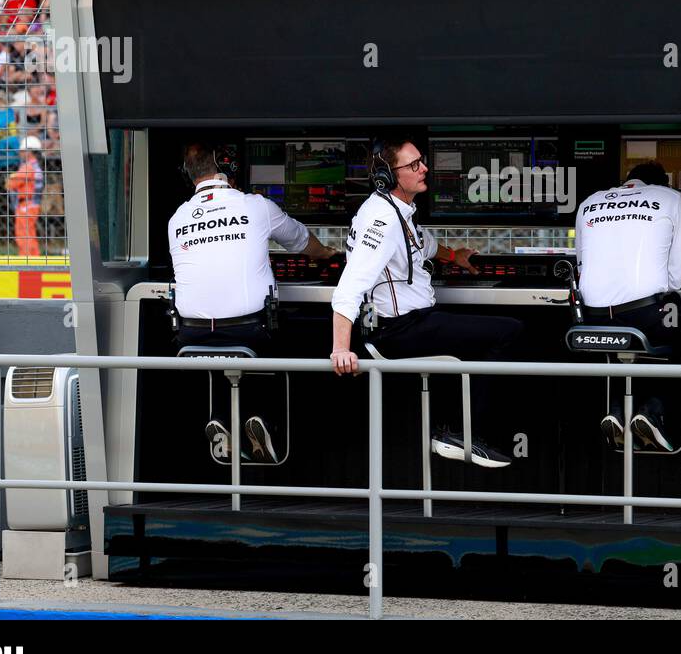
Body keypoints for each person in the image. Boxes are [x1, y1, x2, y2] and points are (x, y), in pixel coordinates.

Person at [329, 137, 523, 468]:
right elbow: (350, 285)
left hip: (415, 322)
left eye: (421, 160)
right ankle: (466, 437)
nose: (424, 169)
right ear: (387, 176)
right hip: (399, 331)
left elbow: (424, 245)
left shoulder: (397, 211)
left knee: (478, 333)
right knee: (510, 332)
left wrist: (455, 256)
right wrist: (341, 349)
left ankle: (450, 431)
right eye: (413, 165)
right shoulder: (383, 219)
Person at [168, 142, 336, 463]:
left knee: (220, 352)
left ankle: (220, 419)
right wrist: (329, 254)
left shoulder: (176, 219)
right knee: (283, 337)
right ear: (228, 170)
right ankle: (262, 419)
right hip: (249, 332)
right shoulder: (257, 206)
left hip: (190, 336)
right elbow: (303, 243)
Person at [574, 161, 681, 452]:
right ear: (662, 183)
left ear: (628, 180)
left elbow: (581, 265)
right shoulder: (672, 199)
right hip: (643, 316)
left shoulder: (590, 201)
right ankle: (653, 410)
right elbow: (675, 279)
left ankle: (616, 410)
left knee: (622, 349)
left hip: (592, 320)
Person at [6, 135, 44, 256]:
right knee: (30, 235)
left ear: (30, 151)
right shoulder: (36, 166)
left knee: (24, 236)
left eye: (23, 151)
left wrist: (11, 177)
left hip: (26, 205)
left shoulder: (27, 167)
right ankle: (35, 261)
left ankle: (26, 264)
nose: (20, 153)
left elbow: (10, 184)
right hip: (33, 204)